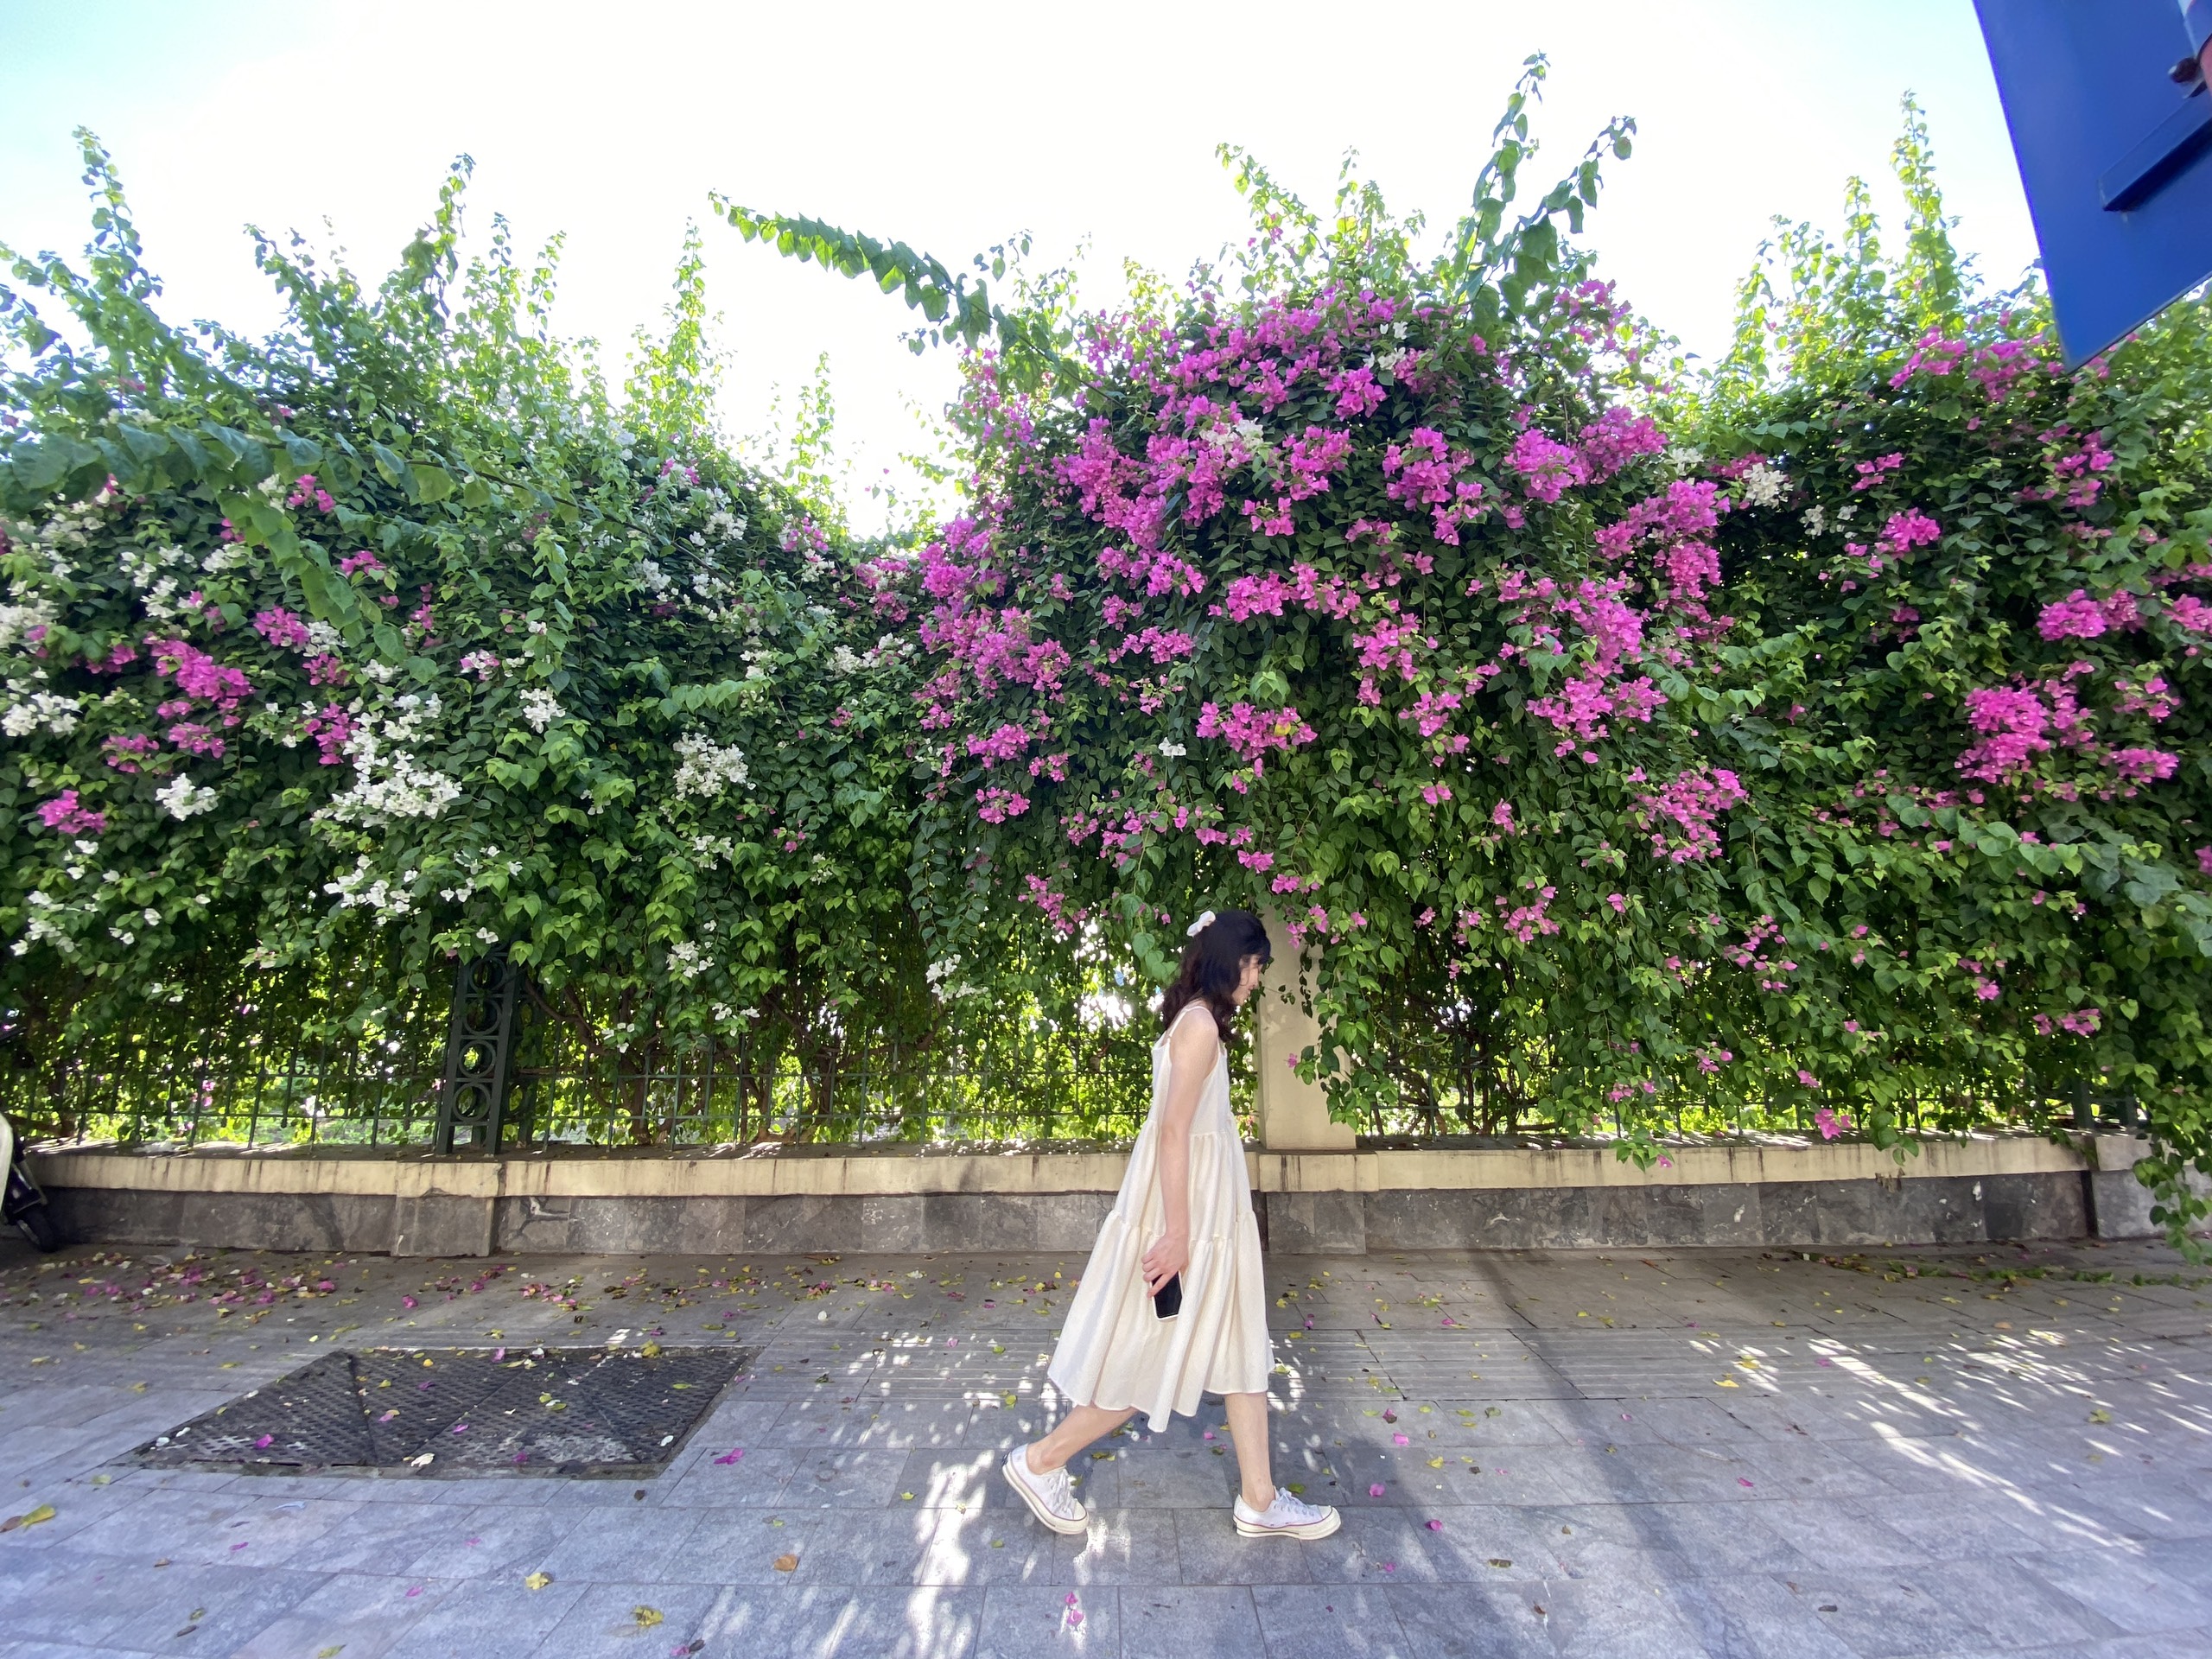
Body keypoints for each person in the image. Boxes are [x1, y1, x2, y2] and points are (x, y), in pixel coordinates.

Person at [1002, 906, 1340, 1541]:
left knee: (1242, 1345)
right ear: (1232, 962)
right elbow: (1173, 1133)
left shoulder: (1198, 1023)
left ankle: (1260, 1498)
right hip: (1191, 1218)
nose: (1257, 979)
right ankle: (1040, 1461)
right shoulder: (1198, 1029)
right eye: (1255, 966)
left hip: (1211, 1214)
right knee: (1149, 1355)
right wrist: (1180, 1233)